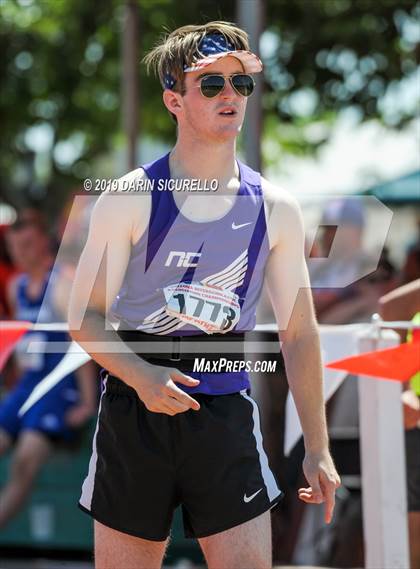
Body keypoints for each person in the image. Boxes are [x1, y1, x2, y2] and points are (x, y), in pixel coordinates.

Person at [68, 21, 340, 569]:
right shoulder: (129, 197)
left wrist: (318, 445)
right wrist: (143, 376)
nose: (231, 96)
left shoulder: (276, 206)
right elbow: (84, 318)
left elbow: (299, 331)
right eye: (211, 84)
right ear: (174, 99)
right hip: (133, 409)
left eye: (241, 84)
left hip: (225, 413)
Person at [0, 219, 96, 528]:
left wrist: (87, 402)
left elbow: (81, 344)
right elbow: (21, 341)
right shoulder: (17, 287)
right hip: (28, 385)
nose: (20, 252)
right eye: (14, 246)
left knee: (25, 461)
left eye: (27, 244)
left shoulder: (62, 283)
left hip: (59, 386)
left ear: (44, 242)